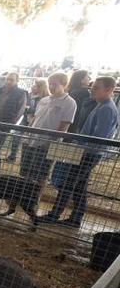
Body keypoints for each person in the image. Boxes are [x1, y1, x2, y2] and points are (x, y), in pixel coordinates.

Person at [41, 77, 118, 228]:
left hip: (89, 152)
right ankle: (75, 218)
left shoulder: (107, 109)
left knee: (69, 184)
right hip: (88, 151)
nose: (92, 90)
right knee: (78, 186)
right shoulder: (102, 105)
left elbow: (99, 136)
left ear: (109, 90)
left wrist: (80, 146)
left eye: (97, 88)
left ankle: (54, 215)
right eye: (93, 87)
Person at [19, 72, 77, 193]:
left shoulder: (69, 103)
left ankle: (35, 199)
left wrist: (51, 142)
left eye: (55, 84)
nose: (51, 86)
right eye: (50, 83)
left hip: (46, 144)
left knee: (41, 173)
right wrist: (26, 134)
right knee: (26, 170)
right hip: (31, 140)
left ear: (64, 84)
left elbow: (64, 125)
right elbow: (35, 118)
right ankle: (23, 195)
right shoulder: (44, 100)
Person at [7, 79, 49, 162]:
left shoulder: (45, 98)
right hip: (26, 119)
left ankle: (26, 161)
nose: (33, 87)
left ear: (41, 88)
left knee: (30, 140)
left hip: (36, 121)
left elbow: (39, 111)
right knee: (16, 135)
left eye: (35, 86)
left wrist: (29, 108)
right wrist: (27, 109)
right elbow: (24, 108)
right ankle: (12, 156)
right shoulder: (29, 95)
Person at [68, 69, 95, 134]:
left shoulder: (73, 90)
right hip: (77, 124)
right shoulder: (83, 93)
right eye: (87, 76)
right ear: (81, 80)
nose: (89, 78)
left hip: (71, 122)